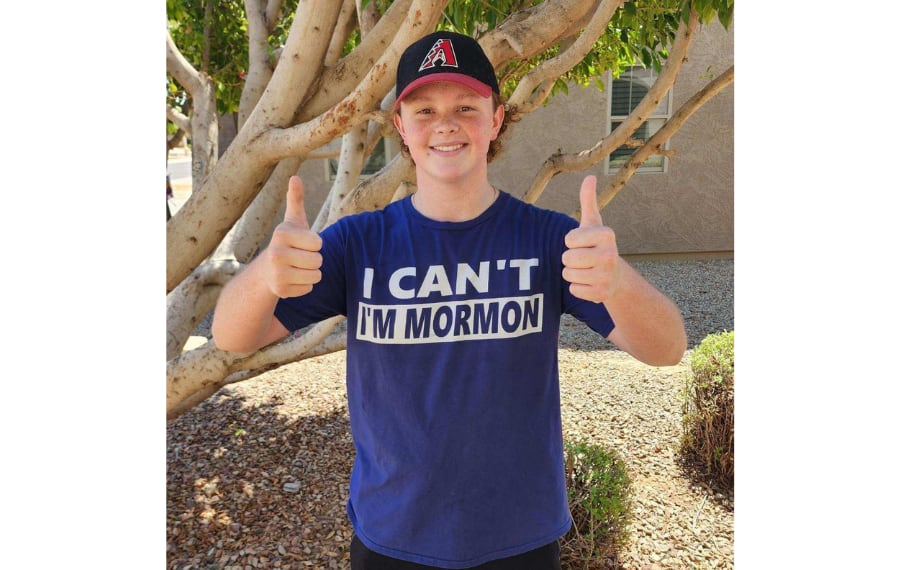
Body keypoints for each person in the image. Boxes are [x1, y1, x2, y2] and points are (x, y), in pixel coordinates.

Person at [212, 31, 687, 570]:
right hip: (392, 534)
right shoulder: (357, 244)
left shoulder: (549, 241)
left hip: (519, 536)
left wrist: (617, 281)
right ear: (400, 127)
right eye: (424, 109)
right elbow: (231, 337)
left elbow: (667, 348)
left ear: (496, 119)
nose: (446, 124)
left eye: (466, 106)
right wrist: (264, 277)